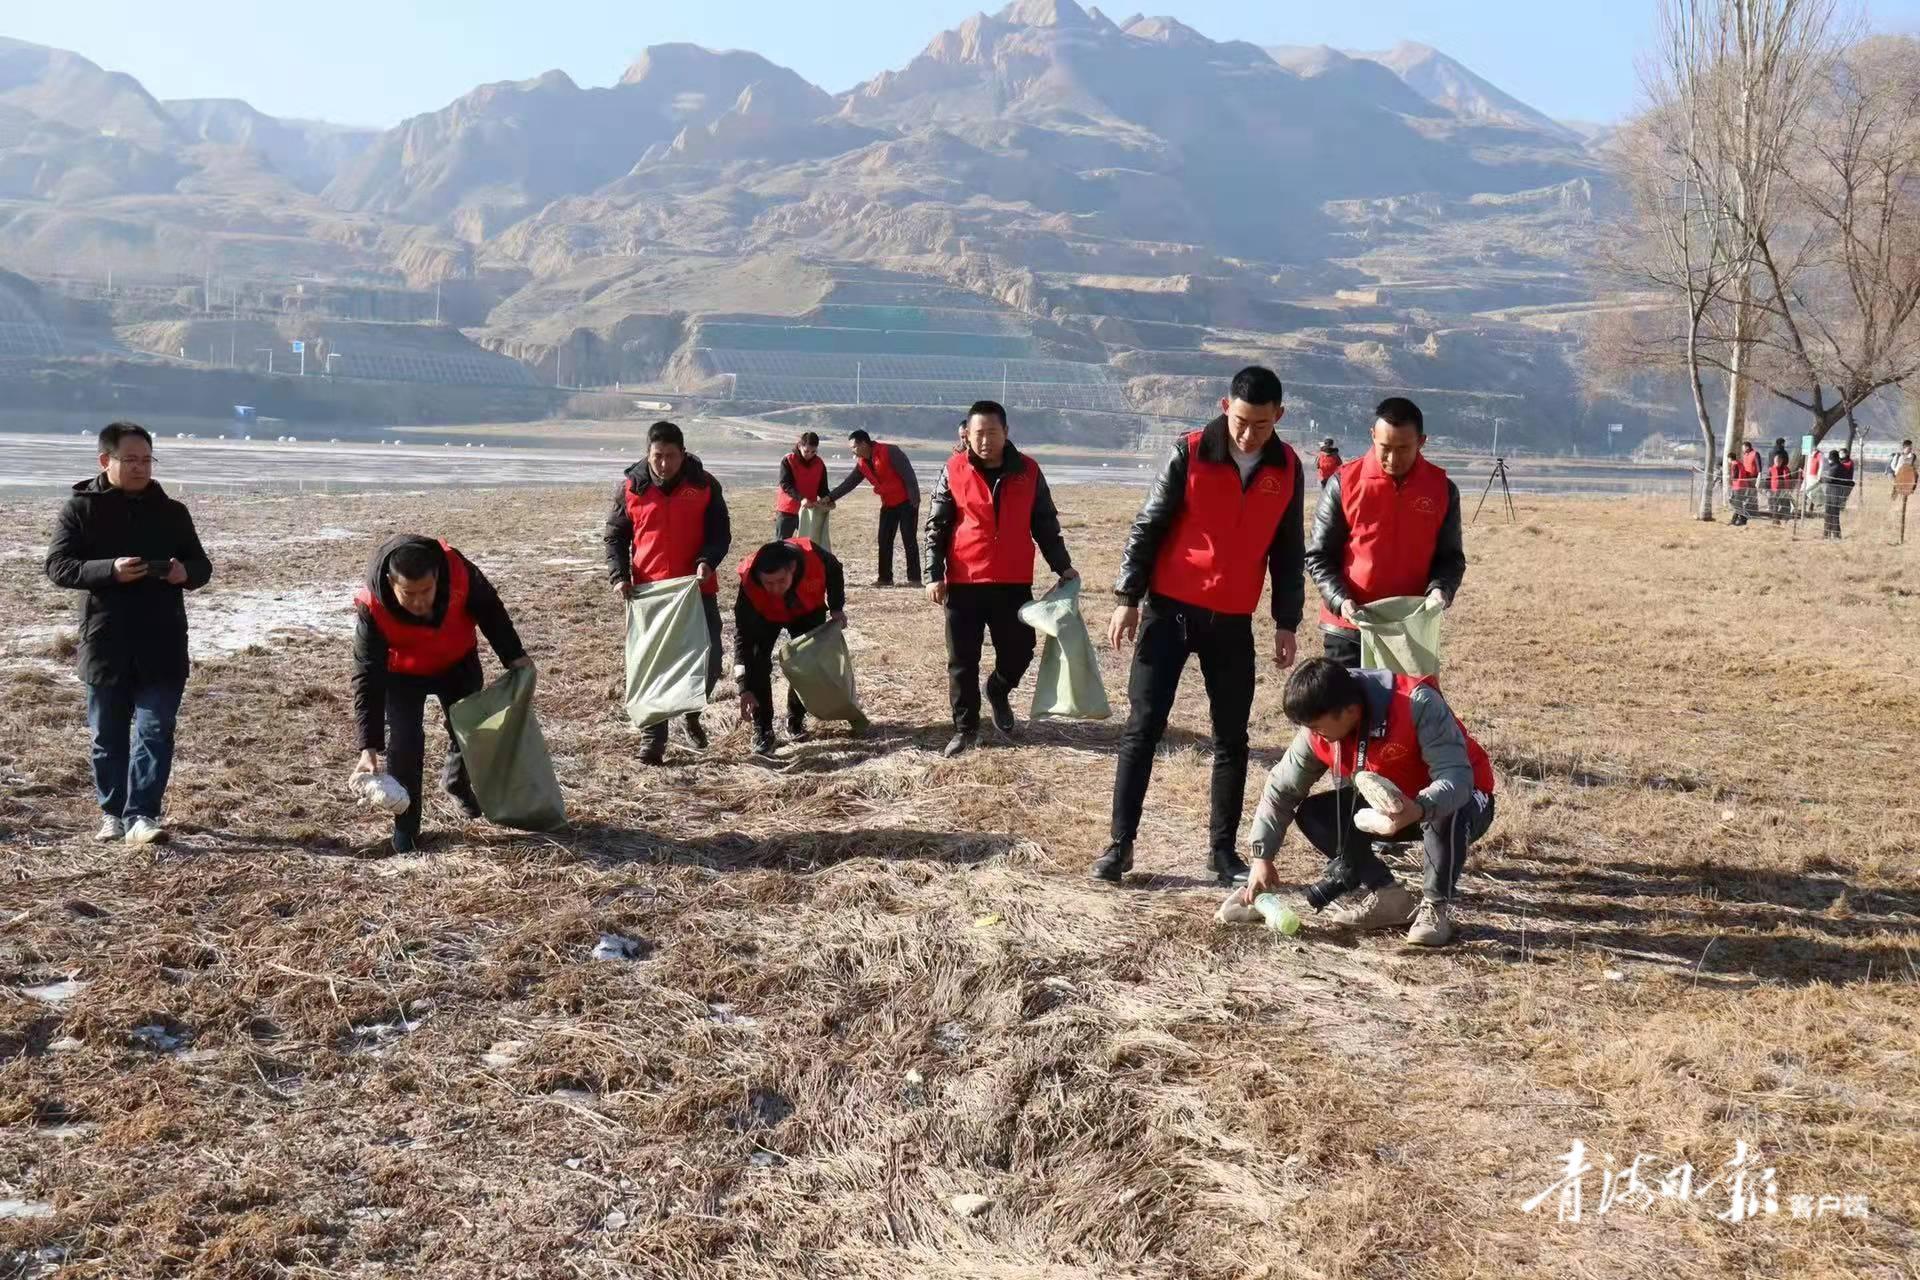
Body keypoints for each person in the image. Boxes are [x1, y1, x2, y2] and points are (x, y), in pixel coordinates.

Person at [1095, 366, 1306, 888]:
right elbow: (1148, 525)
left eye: (1259, 424)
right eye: (1239, 420)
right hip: (1169, 613)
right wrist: (1127, 597)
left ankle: (1221, 852)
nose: (1247, 433)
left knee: (1231, 738)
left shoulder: (1288, 468)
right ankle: (1120, 847)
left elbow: (1287, 549)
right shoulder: (1188, 451)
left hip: (1232, 622)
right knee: (1142, 730)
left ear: (1278, 416)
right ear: (1223, 406)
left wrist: (1286, 621)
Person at [1242, 658, 1497, 947]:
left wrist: (1421, 806)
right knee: (1316, 813)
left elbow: (1456, 778)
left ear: (1350, 711)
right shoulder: (1320, 726)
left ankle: (1435, 908)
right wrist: (1262, 857)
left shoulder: (1417, 702)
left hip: (1465, 800)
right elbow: (1281, 789)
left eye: (1316, 727)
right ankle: (1388, 896)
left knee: (1446, 808)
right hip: (1396, 809)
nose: (1313, 734)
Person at [43, 422, 213, 846]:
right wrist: (109, 571)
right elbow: (58, 567)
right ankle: (112, 813)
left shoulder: (173, 512)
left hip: (163, 641)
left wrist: (182, 572)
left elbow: (202, 567)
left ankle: (143, 814)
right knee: (108, 736)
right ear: (106, 460)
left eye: (146, 460)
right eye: (130, 460)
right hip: (106, 640)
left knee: (156, 731)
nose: (140, 468)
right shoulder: (80, 510)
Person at [350, 537, 532, 853]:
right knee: (405, 744)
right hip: (402, 675)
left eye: (426, 591)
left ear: (437, 577)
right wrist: (368, 747)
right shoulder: (372, 608)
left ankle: (457, 781)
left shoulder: (459, 571)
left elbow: (490, 608)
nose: (420, 601)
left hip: (456, 664)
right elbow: (367, 677)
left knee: (469, 733)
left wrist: (514, 655)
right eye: (409, 594)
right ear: (392, 584)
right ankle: (406, 827)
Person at [923, 400, 1077, 757]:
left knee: (1021, 650)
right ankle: (966, 729)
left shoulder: (1029, 471)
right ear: (968, 434)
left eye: (992, 432)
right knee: (962, 660)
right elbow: (937, 526)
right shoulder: (953, 469)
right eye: (978, 433)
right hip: (965, 581)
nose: (985, 440)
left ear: (1006, 433)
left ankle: (998, 688)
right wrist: (934, 575)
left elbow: (1045, 523)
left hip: (1012, 581)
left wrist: (1062, 566)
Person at [603, 420, 732, 765]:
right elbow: (615, 536)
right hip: (650, 593)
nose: (664, 464)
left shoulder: (704, 486)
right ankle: (653, 740)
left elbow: (720, 533)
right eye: (657, 456)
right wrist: (619, 576)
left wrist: (707, 560)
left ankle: (691, 710)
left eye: (671, 456)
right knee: (652, 666)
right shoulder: (631, 489)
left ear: (683, 453)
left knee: (711, 659)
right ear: (648, 454)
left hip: (696, 587)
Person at [1306, 397, 1465, 669]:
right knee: (1349, 710)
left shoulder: (1441, 489)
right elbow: (1319, 556)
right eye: (1385, 448)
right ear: (1372, 436)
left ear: (1422, 441)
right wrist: (1339, 600)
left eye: (1404, 448)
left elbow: (1450, 558)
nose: (1393, 459)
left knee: (1404, 710)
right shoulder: (1344, 482)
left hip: (1409, 630)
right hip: (1349, 628)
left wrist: (1440, 591)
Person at [733, 537, 848, 757]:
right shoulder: (749, 585)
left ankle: (795, 718)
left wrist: (836, 607)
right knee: (757, 664)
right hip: (765, 615)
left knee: (808, 663)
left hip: (806, 610)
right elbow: (743, 638)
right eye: (768, 583)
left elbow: (835, 570)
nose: (775, 588)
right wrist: (744, 686)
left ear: (793, 569)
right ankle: (763, 729)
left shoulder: (814, 556)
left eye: (781, 580)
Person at [828, 430, 921, 586]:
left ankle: (915, 579)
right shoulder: (862, 463)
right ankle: (885, 578)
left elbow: (908, 474)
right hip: (888, 504)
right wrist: (830, 497)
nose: (852, 451)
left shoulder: (890, 451)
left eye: (854, 447)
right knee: (884, 540)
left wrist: (914, 498)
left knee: (909, 539)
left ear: (864, 443)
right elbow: (848, 484)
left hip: (906, 502)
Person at [773, 431, 831, 540]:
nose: (810, 454)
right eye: (806, 451)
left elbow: (822, 488)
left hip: (808, 511)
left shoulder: (819, 463)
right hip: (787, 511)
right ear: (800, 446)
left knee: (807, 545)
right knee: (781, 545)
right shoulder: (788, 460)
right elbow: (785, 484)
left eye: (813, 452)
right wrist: (802, 499)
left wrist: (828, 499)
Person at [1821, 448, 1850, 539]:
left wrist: (1822, 479)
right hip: (1836, 493)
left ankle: (1832, 534)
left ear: (1832, 458)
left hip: (1833, 494)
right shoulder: (1840, 466)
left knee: (1831, 514)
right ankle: (1830, 534)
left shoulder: (1835, 467)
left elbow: (1830, 479)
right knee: (1833, 515)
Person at [1729, 441, 1760, 526]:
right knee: (1739, 501)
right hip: (1745, 481)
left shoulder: (1754, 454)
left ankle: (1744, 517)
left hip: (1747, 481)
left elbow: (1735, 476)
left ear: (1747, 447)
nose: (1742, 449)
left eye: (1743, 447)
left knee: (1740, 501)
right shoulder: (1743, 458)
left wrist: (1759, 476)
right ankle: (1737, 519)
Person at [1766, 445, 1793, 521]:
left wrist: (1790, 489)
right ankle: (1775, 520)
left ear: (1781, 461)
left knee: (1786, 505)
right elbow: (1767, 480)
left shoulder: (1786, 469)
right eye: (1776, 461)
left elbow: (1790, 479)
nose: (1777, 462)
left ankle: (1783, 517)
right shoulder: (1771, 469)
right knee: (1774, 506)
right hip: (1774, 490)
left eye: (1779, 461)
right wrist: (1767, 490)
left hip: (1784, 491)